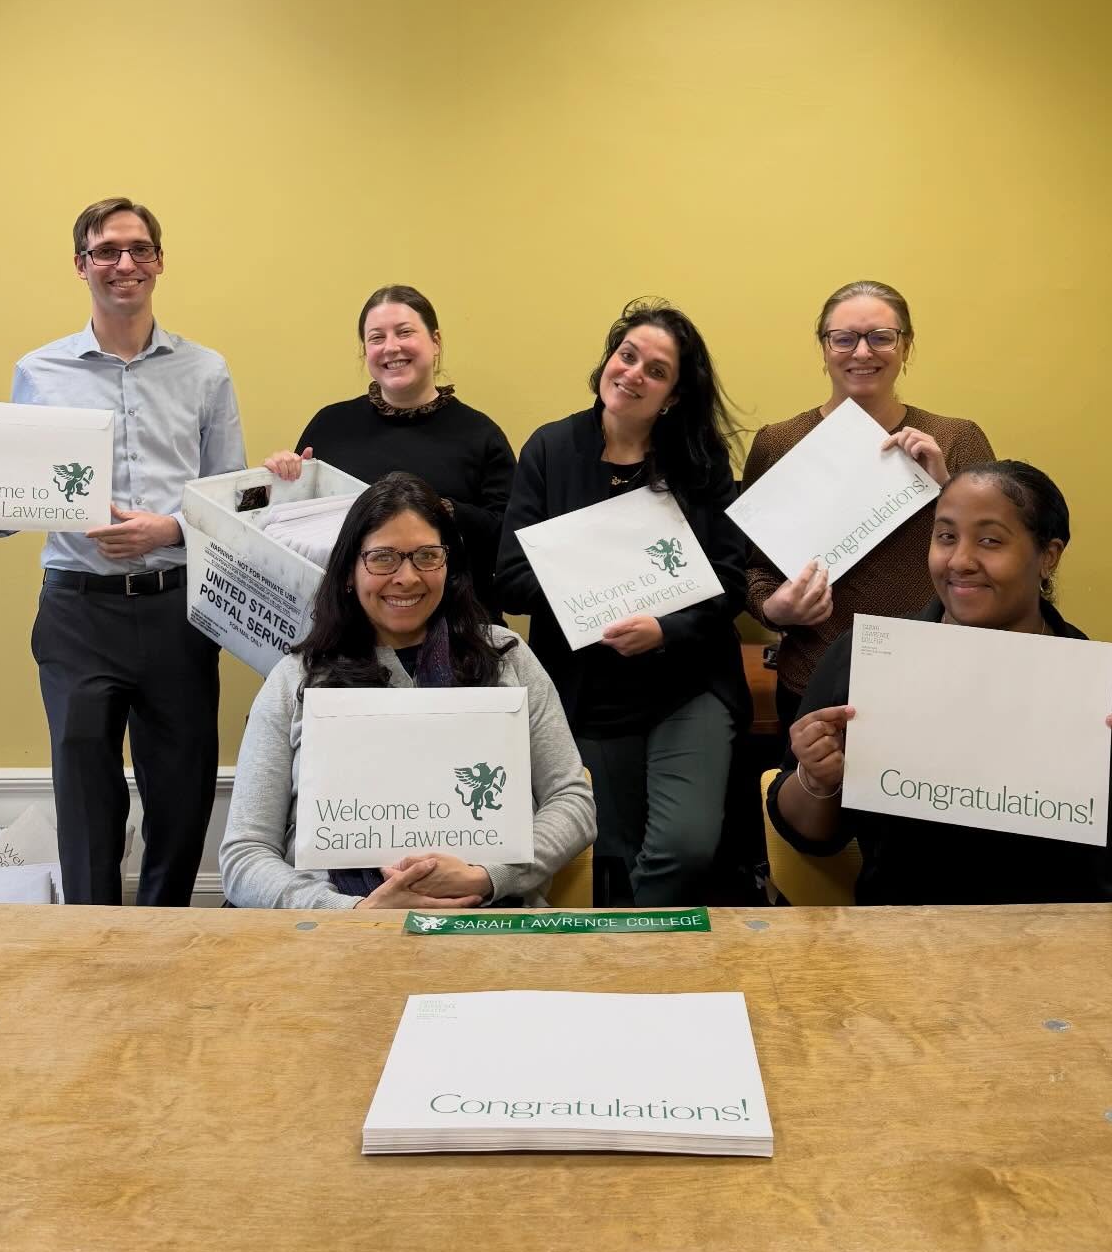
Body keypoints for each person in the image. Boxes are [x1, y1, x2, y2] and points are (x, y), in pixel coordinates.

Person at [0, 198, 246, 906]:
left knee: (183, 795)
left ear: (159, 260)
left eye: (140, 249)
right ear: (81, 265)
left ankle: (164, 941)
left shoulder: (207, 372)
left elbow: (228, 503)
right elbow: (19, 492)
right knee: (87, 796)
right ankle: (91, 945)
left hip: (176, 612)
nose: (125, 264)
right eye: (106, 251)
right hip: (76, 613)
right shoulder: (38, 370)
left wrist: (168, 531)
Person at [767, 461, 1112, 905]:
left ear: (1048, 556)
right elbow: (808, 835)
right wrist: (816, 779)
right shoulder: (866, 662)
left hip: (1078, 960)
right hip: (908, 955)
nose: (960, 560)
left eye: (989, 540)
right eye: (945, 537)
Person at [220, 472, 595, 910]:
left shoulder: (505, 657)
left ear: (449, 565)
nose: (407, 577)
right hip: (336, 934)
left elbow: (572, 801)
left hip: (489, 921)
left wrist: (487, 876)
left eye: (426, 556)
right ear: (348, 572)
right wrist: (353, 912)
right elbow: (244, 856)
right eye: (382, 558)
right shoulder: (296, 678)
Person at [496, 300, 750, 906]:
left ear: (674, 396)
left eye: (656, 370)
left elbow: (730, 581)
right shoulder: (551, 450)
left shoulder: (702, 461)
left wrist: (665, 628)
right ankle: (626, 960)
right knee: (609, 851)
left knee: (684, 847)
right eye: (626, 355)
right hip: (584, 688)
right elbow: (509, 578)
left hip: (687, 681)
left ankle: (636, 949)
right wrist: (595, 596)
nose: (633, 373)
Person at [742, 279, 993, 726]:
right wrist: (774, 609)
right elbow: (751, 567)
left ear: (906, 346)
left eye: (881, 337)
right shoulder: (779, 444)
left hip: (933, 677)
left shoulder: (956, 439)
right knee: (813, 793)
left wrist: (946, 489)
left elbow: (994, 554)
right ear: (824, 347)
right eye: (844, 338)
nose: (862, 353)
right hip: (814, 678)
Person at [264, 284, 515, 613]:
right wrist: (285, 478)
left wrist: (439, 512)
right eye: (376, 338)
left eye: (405, 332)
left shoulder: (481, 435)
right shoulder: (330, 425)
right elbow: (291, 529)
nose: (391, 347)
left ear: (435, 341)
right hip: (348, 628)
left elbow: (509, 538)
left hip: (456, 625)